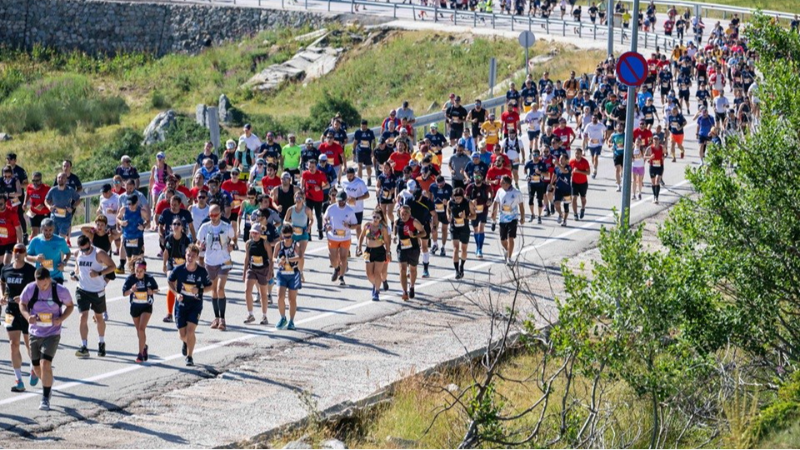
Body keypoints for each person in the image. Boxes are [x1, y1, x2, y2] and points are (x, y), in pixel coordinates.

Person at [20, 267, 74, 410]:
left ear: (49, 279)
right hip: (35, 332)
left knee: (45, 364)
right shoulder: (30, 288)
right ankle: (48, 382)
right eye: (39, 284)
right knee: (37, 367)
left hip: (52, 333)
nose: (42, 287)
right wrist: (27, 317)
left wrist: (61, 318)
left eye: (44, 284)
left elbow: (70, 306)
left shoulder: (60, 290)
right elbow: (22, 304)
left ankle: (45, 398)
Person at [168, 244, 212, 366]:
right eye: (188, 255)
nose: (190, 258)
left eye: (193, 256)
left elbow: (210, 286)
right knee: (183, 335)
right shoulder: (179, 270)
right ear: (185, 255)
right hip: (181, 304)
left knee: (191, 331)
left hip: (195, 305)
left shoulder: (202, 272)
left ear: (197, 257)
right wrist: (176, 293)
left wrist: (199, 290)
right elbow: (170, 281)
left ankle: (189, 356)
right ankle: (186, 343)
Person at [73, 235, 115, 358]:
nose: (84, 252)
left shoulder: (99, 253)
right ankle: (84, 346)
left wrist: (98, 273)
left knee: (99, 317)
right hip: (82, 289)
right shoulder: (78, 253)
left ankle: (101, 342)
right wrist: (75, 274)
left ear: (90, 243)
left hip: (97, 290)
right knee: (83, 317)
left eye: (86, 249)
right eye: (82, 250)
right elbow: (77, 266)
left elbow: (112, 266)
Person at [2, 244, 36, 392]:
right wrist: (2, 295)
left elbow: (38, 290)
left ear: (25, 253)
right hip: (10, 311)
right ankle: (19, 380)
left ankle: (34, 368)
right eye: (16, 251)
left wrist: (23, 298)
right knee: (13, 344)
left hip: (26, 310)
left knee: (29, 344)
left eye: (21, 251)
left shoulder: (30, 270)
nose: (18, 254)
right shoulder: (6, 269)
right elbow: (2, 283)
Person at [196, 205, 235, 331]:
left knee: (220, 289)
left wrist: (232, 246)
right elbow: (198, 242)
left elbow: (233, 239)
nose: (213, 218)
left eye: (215, 215)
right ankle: (216, 317)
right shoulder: (205, 227)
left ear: (220, 214)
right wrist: (200, 245)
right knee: (213, 290)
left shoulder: (226, 226)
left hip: (223, 261)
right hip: (210, 262)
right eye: (211, 215)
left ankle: (223, 319)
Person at [122, 260, 158, 363]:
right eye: (136, 270)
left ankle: (140, 354)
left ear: (145, 270)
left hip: (146, 307)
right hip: (135, 307)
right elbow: (124, 293)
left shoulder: (149, 279)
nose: (138, 273)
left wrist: (152, 291)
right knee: (139, 331)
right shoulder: (130, 279)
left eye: (140, 271)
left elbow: (156, 289)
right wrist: (131, 291)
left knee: (142, 329)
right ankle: (144, 346)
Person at [324, 191, 358, 286]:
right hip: (332, 237)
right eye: (338, 200)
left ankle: (342, 277)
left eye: (342, 201)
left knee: (343, 258)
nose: (340, 202)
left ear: (346, 200)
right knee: (333, 259)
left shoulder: (349, 211)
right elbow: (325, 218)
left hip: (345, 237)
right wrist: (326, 225)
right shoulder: (331, 208)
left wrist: (349, 226)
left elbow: (355, 225)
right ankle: (336, 268)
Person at [162, 217, 191, 323]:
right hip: (172, 263)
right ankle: (169, 313)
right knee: (171, 283)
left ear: (182, 227)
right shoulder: (169, 238)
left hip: (183, 264)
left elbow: (190, 254)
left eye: (178, 224)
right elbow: (166, 252)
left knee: (182, 288)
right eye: (174, 224)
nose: (176, 226)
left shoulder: (186, 239)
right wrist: (164, 264)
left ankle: (183, 312)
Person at [357, 210, 391, 301]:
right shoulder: (367, 225)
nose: (375, 219)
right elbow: (361, 237)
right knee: (369, 274)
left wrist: (388, 252)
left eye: (378, 217)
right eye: (374, 217)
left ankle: (376, 291)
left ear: (380, 219)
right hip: (368, 251)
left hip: (379, 251)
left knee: (377, 272)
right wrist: (359, 248)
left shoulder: (382, 228)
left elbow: (387, 242)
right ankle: (376, 283)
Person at [242, 224, 272, 325]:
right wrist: (244, 272)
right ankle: (250, 314)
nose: (254, 235)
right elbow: (246, 258)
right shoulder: (248, 243)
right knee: (247, 291)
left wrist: (270, 272)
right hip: (252, 269)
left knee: (263, 294)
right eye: (252, 232)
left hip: (263, 269)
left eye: (256, 233)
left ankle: (264, 316)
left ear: (260, 233)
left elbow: (270, 259)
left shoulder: (265, 243)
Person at [26, 219, 70, 285]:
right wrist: (35, 258)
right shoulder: (35, 240)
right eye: (45, 230)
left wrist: (64, 262)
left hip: (56, 277)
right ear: (41, 229)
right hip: (41, 277)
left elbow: (68, 253)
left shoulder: (60, 240)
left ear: (54, 229)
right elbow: (26, 256)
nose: (48, 233)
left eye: (50, 230)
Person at [492, 176, 524, 265]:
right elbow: (496, 202)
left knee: (510, 238)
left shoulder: (517, 193)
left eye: (502, 182)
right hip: (502, 218)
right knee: (503, 240)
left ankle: (509, 258)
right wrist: (493, 213)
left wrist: (522, 217)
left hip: (513, 218)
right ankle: (507, 250)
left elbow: (521, 205)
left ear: (507, 184)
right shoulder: (499, 191)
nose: (500, 184)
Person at [274, 225, 302, 330]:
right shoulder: (279, 245)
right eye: (285, 237)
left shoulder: (296, 245)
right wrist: (278, 261)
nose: (287, 239)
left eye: (289, 237)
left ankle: (291, 321)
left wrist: (287, 259)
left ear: (292, 235)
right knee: (280, 296)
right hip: (282, 273)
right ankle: (282, 317)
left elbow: (299, 257)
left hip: (293, 273)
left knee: (292, 299)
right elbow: (273, 257)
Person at [395, 205, 424, 301]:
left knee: (412, 269)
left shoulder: (414, 222)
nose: (404, 216)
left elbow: (424, 233)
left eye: (406, 214)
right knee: (402, 270)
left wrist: (415, 234)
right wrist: (394, 237)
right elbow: (395, 232)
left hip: (413, 249)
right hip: (402, 249)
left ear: (410, 213)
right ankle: (404, 291)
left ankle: (411, 286)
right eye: (402, 214)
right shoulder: (397, 222)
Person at [117, 194, 149, 274]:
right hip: (127, 237)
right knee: (129, 259)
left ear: (137, 203)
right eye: (129, 204)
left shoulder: (141, 211)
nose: (130, 206)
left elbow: (148, 220)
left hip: (137, 237)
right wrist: (121, 222)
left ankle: (134, 274)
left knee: (135, 259)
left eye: (132, 204)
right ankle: (132, 273)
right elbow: (118, 218)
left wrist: (143, 226)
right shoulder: (124, 209)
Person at [447, 188, 474, 279]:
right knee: (455, 249)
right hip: (454, 228)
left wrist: (465, 216)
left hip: (464, 228)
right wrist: (448, 216)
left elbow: (474, 216)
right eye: (455, 198)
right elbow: (448, 210)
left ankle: (462, 266)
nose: (457, 200)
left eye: (459, 198)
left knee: (464, 249)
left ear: (463, 197)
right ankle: (456, 271)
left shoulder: (468, 203)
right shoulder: (450, 203)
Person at [45, 172, 81, 240]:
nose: (60, 179)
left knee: (61, 238)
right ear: (57, 179)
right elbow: (46, 200)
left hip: (66, 218)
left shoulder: (70, 190)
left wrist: (72, 207)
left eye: (63, 178)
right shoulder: (53, 190)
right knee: (54, 238)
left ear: (66, 180)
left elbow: (78, 199)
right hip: (54, 217)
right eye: (59, 178)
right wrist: (49, 206)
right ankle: (58, 250)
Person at [285, 190, 312, 279]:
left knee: (300, 253)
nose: (298, 199)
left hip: (303, 233)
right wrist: (289, 225)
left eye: (300, 197)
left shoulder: (307, 209)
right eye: (297, 197)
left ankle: (300, 272)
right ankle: (296, 269)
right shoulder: (291, 209)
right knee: (294, 253)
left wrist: (309, 226)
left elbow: (312, 219)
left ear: (303, 199)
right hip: (293, 233)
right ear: (294, 198)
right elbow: (285, 220)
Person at [465, 172, 492, 259]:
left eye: (478, 176)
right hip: (474, 211)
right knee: (476, 229)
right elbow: (466, 197)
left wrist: (490, 201)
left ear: (481, 177)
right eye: (475, 176)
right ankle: (477, 247)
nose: (476, 178)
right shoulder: (470, 187)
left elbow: (491, 195)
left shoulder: (486, 187)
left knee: (481, 228)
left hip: (483, 210)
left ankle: (480, 249)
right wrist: (471, 202)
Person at [429, 176, 453, 257]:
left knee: (444, 229)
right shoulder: (432, 186)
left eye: (442, 184)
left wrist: (448, 202)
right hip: (436, 212)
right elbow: (430, 196)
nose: (440, 186)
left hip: (445, 211)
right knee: (434, 228)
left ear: (444, 181)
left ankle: (443, 247)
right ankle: (435, 244)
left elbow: (453, 199)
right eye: (438, 184)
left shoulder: (449, 187)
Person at [26, 172, 50, 240]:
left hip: (44, 213)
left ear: (41, 180)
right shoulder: (29, 187)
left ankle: (45, 247)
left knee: (44, 232)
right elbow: (27, 193)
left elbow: (52, 199)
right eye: (33, 180)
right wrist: (24, 202)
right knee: (34, 231)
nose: (35, 182)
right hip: (33, 212)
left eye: (37, 180)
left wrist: (43, 205)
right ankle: (31, 249)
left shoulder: (46, 188)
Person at [568, 148, 591, 221]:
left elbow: (588, 173)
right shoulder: (571, 161)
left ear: (581, 154)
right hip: (574, 182)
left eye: (579, 153)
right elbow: (568, 171)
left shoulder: (585, 162)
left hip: (583, 183)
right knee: (574, 198)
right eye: (576, 154)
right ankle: (575, 214)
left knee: (583, 198)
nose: (577, 155)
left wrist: (578, 171)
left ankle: (583, 208)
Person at [551, 154, 573, 227]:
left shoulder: (568, 167)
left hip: (567, 190)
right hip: (558, 189)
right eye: (560, 158)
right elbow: (554, 175)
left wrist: (557, 164)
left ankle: (565, 220)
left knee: (566, 206)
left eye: (562, 159)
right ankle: (560, 214)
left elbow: (564, 171)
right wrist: (551, 184)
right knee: (556, 203)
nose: (560, 160)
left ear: (566, 160)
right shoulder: (557, 168)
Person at [353, 120, 376, 186]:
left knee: (368, 167)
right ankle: (360, 181)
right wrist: (353, 151)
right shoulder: (357, 132)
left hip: (368, 152)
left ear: (367, 126)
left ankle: (369, 177)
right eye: (362, 126)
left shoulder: (370, 132)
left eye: (365, 126)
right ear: (360, 125)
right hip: (359, 151)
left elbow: (373, 141)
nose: (363, 127)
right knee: (359, 166)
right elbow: (355, 142)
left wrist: (373, 150)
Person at [645, 135, 666, 204]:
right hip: (652, 167)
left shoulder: (662, 147)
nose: (655, 141)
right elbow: (644, 156)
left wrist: (664, 156)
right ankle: (654, 196)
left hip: (660, 166)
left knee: (657, 181)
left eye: (657, 139)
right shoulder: (649, 148)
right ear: (653, 140)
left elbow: (666, 154)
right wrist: (650, 157)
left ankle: (656, 197)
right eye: (654, 139)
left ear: (659, 140)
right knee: (653, 182)